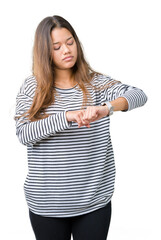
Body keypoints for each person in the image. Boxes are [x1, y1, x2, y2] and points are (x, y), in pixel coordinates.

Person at [14, 15, 147, 240]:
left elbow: (139, 95)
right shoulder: (33, 87)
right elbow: (24, 134)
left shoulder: (96, 83)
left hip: (94, 203)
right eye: (57, 47)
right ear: (45, 51)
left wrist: (106, 109)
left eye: (70, 42)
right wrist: (66, 116)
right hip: (48, 206)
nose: (66, 50)